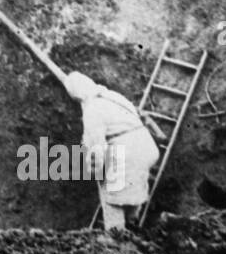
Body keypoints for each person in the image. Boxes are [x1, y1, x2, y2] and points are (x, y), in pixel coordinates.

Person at [65, 71, 162, 232]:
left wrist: (96, 172)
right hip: (145, 147)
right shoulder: (113, 96)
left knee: (111, 197)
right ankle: (132, 224)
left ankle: (116, 235)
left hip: (127, 154)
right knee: (133, 186)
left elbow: (97, 148)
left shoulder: (92, 110)